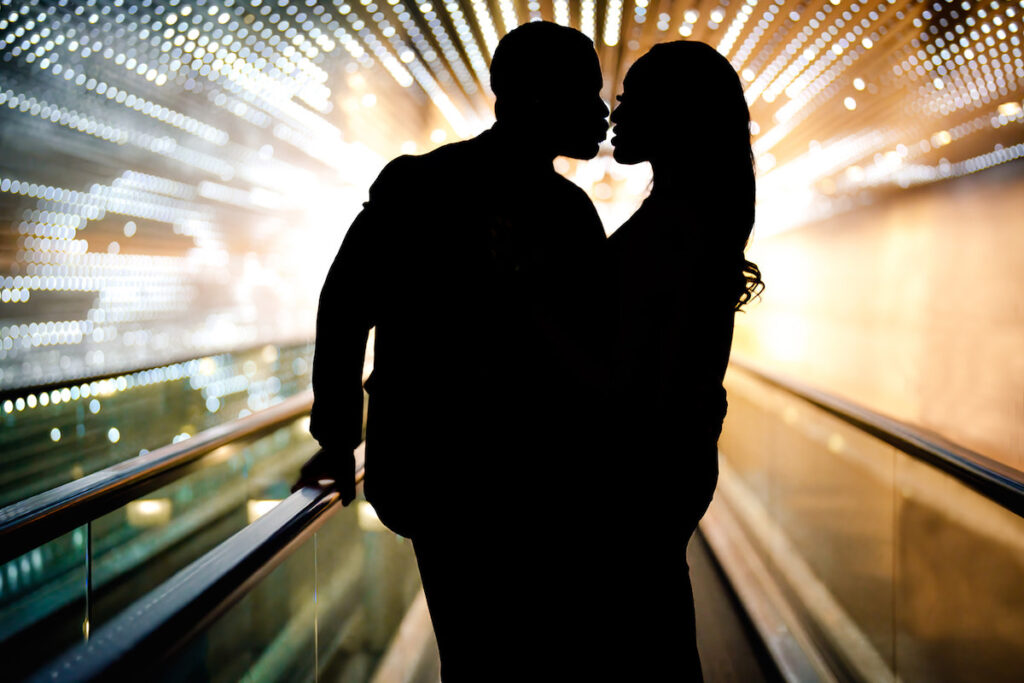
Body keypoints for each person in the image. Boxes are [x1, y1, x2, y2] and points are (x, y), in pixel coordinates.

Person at [298, 21, 610, 680]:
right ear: (535, 98)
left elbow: (346, 301)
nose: (602, 110)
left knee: (472, 653)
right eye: (588, 92)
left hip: (436, 477)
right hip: (541, 485)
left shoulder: (419, 187)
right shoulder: (571, 216)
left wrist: (337, 437)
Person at [606, 41, 764, 680]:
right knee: (658, 630)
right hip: (672, 461)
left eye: (632, 100)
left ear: (675, 117)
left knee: (645, 639)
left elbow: (637, 374)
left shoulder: (675, 228)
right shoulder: (699, 218)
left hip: (640, 470)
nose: (615, 113)